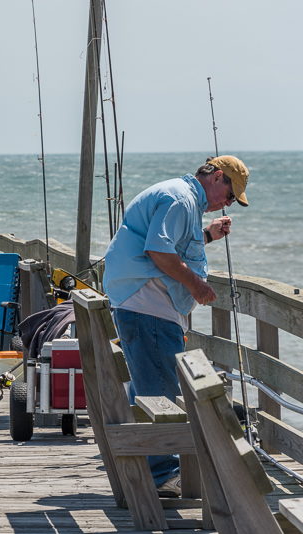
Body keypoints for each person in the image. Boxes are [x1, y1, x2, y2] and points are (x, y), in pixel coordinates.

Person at [102, 155, 250, 497]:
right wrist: (197, 286)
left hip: (141, 303)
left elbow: (171, 243)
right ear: (216, 177)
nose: (228, 204)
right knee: (161, 392)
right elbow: (159, 252)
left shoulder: (180, 197)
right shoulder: (181, 199)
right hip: (148, 306)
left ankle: (146, 469)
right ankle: (161, 478)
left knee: (147, 387)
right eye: (230, 196)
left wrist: (208, 236)